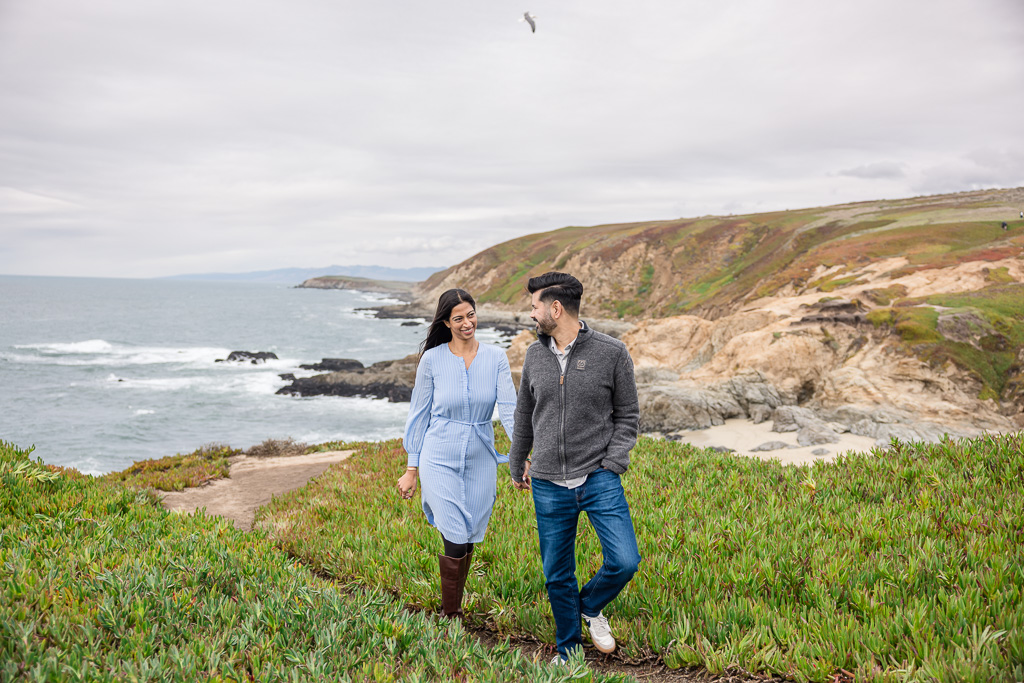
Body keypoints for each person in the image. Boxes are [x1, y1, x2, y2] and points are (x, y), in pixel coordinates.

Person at [508, 272, 641, 664]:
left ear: (555, 308)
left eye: (534, 306)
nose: (530, 313)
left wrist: (613, 462)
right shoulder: (535, 355)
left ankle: (590, 605)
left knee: (624, 561)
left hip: (598, 476)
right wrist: (518, 462)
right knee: (557, 574)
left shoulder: (612, 352)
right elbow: (524, 414)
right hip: (548, 481)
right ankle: (568, 652)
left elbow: (628, 414)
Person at [397, 288, 517, 620]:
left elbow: (509, 410)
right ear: (447, 323)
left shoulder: (495, 357)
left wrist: (520, 455)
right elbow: (419, 415)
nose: (467, 323)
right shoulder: (432, 360)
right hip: (439, 453)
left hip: (481, 453)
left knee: (470, 533)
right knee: (454, 532)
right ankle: (452, 615)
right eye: (459, 318)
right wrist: (412, 468)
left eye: (471, 315)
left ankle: (454, 604)